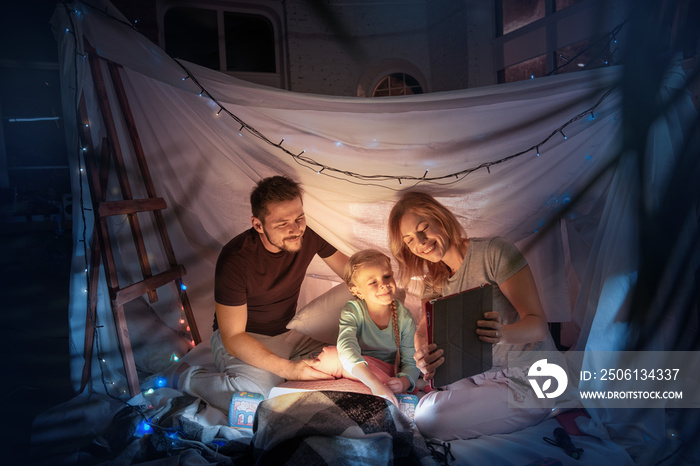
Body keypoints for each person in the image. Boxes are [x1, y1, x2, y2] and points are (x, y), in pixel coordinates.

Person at [387, 191, 559, 440]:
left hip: (530, 377)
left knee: (428, 419)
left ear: (441, 218)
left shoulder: (493, 252)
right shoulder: (433, 278)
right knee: (433, 396)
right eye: (410, 240)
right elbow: (425, 328)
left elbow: (539, 326)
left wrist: (501, 334)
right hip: (476, 374)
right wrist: (422, 353)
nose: (421, 241)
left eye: (423, 228)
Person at [176, 175, 348, 411]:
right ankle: (188, 377)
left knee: (347, 360)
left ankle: (286, 370)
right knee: (257, 398)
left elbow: (354, 273)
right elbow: (234, 337)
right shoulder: (236, 258)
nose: (296, 229)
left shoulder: (309, 235)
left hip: (289, 333)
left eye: (299, 218)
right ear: (258, 225)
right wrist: (287, 369)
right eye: (282, 224)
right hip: (245, 339)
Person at [313, 249, 421, 406]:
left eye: (387, 276)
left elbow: (411, 360)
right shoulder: (353, 310)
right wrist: (373, 383)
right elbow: (346, 345)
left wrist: (403, 382)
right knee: (330, 356)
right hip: (358, 366)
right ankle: (372, 382)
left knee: (335, 360)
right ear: (358, 291)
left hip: (384, 370)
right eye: (373, 282)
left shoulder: (404, 316)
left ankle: (384, 387)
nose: (384, 285)